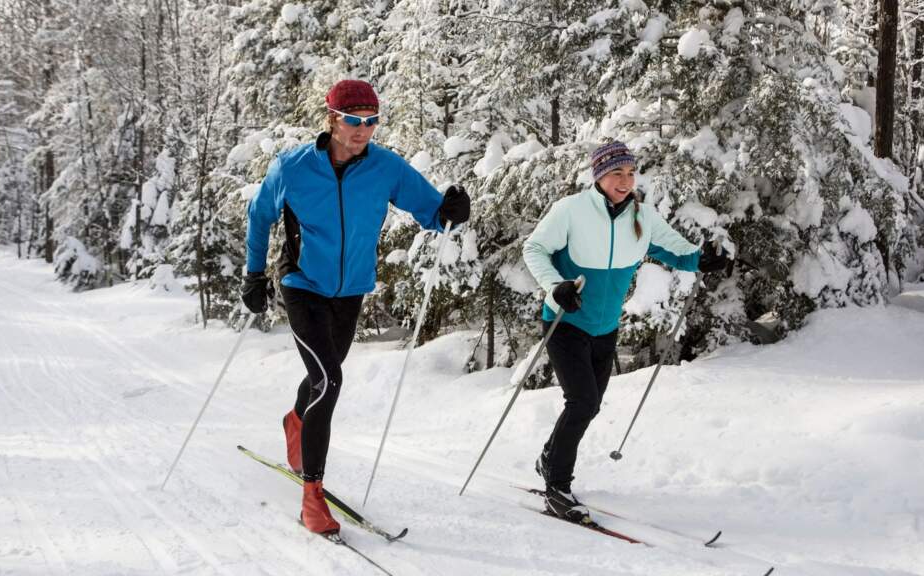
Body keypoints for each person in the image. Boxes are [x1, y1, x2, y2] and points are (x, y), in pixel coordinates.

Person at [242, 79, 470, 535]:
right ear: (332, 119)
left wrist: (451, 209)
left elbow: (431, 212)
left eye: (371, 121)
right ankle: (312, 496)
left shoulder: (385, 168)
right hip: (302, 282)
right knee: (330, 378)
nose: (363, 129)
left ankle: (296, 421)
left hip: (350, 290)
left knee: (320, 377)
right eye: (353, 120)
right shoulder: (294, 167)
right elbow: (260, 214)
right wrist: (253, 273)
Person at [522, 140, 728, 523]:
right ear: (599, 175)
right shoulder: (571, 210)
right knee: (582, 401)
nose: (625, 180)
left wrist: (704, 259)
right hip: (565, 321)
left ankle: (550, 457)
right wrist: (556, 286)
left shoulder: (642, 216)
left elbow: (677, 250)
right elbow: (534, 249)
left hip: (605, 327)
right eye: (617, 172)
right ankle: (557, 486)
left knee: (592, 402)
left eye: (631, 173)